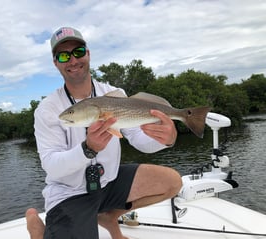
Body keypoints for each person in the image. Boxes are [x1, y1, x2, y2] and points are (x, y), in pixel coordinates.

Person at [25, 26, 182, 239]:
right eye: (63, 55)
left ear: (88, 53)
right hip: (70, 193)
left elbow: (139, 140)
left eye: (78, 52)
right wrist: (88, 149)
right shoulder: (48, 109)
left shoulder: (113, 94)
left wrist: (166, 139)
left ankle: (108, 217)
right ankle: (36, 227)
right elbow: (51, 166)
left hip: (109, 181)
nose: (72, 60)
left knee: (172, 182)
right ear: (56, 63)